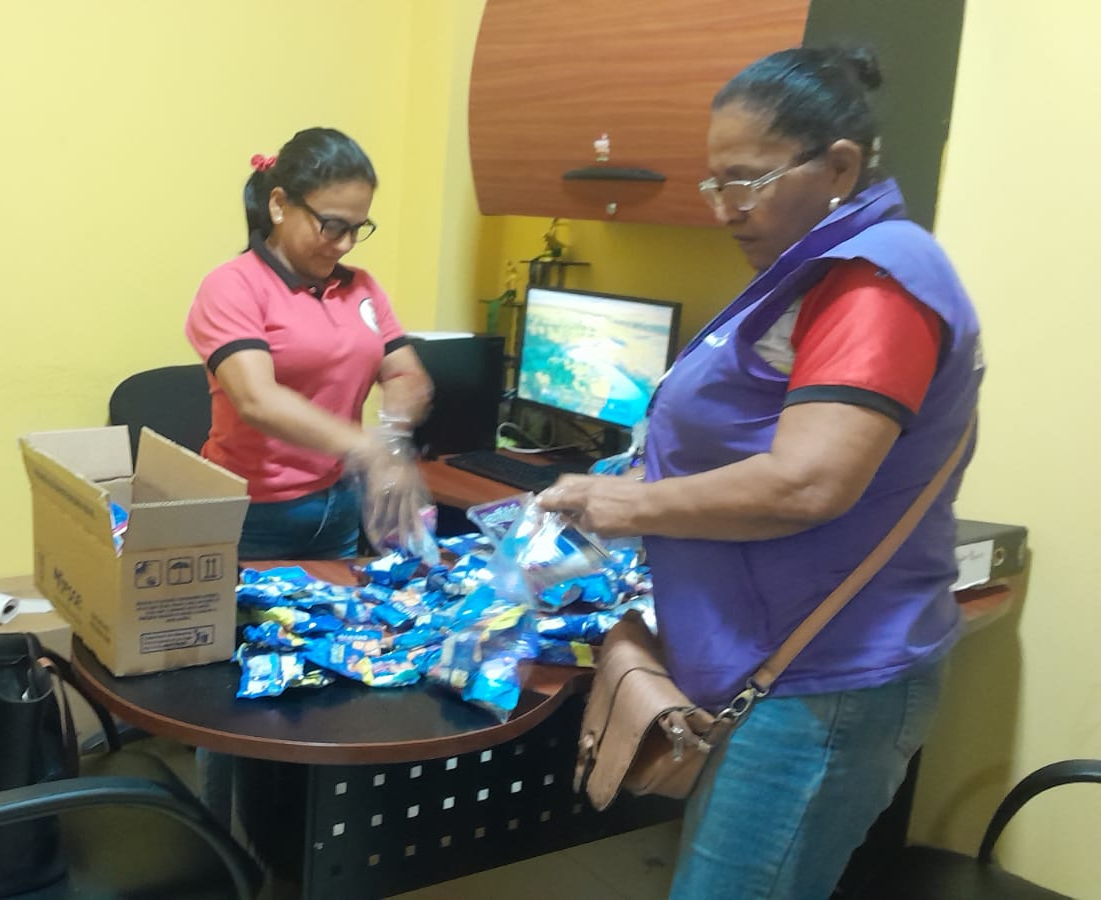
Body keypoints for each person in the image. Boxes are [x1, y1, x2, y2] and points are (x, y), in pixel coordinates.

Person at [540, 47, 982, 899]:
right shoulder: (809, 275)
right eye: (717, 183)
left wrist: (629, 506)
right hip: (773, 667)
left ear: (840, 167)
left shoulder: (877, 284)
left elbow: (809, 483)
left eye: (748, 180)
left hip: (820, 686)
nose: (726, 208)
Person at [185, 127, 434, 561]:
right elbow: (257, 400)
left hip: (340, 507)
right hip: (253, 516)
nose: (345, 244)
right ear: (280, 205)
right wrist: (364, 447)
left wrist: (393, 437)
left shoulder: (363, 288)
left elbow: (405, 372)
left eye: (357, 228)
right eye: (332, 226)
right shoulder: (233, 286)